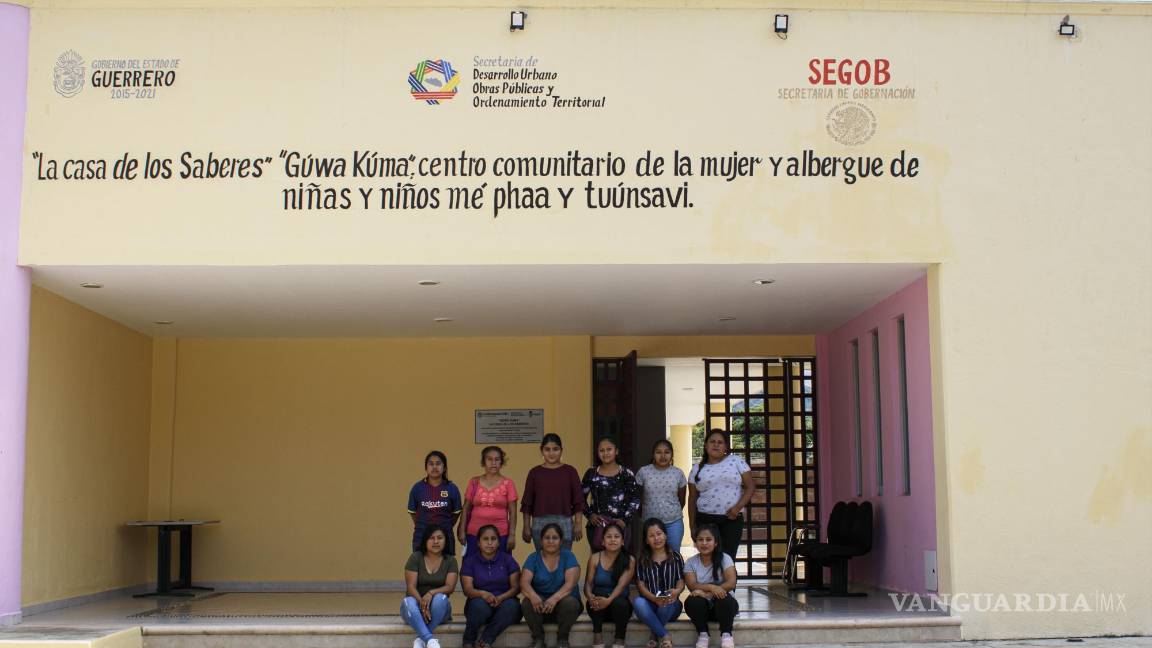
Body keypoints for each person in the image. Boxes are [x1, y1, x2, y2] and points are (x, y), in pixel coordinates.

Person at [687, 429, 754, 561]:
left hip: (731, 519)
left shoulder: (736, 461)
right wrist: (692, 525)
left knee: (727, 560)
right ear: (706, 445)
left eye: (720, 442)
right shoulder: (696, 469)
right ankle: (708, 583)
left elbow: (750, 487)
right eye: (712, 442)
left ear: (725, 447)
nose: (716, 445)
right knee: (707, 559)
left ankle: (727, 582)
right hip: (705, 520)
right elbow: (692, 499)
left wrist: (737, 508)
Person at [520, 523, 582, 648]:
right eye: (547, 538)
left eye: (555, 538)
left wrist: (554, 598)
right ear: (541, 540)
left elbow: (571, 584)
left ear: (561, 541)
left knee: (570, 602)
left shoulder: (568, 556)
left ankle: (563, 639)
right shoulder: (533, 558)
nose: (551, 541)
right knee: (527, 602)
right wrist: (532, 596)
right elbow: (524, 582)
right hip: (541, 607)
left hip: (564, 607)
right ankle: (538, 639)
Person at [460, 525, 522, 648]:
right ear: (478, 543)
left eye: (493, 539)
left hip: (504, 604)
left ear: (499, 542)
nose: (489, 543)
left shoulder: (508, 560)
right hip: (480, 604)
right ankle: (468, 641)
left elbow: (516, 587)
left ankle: (486, 640)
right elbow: (467, 589)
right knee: (477, 605)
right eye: (485, 539)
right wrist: (483, 594)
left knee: (512, 607)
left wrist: (502, 598)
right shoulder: (470, 562)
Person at [521, 433, 585, 551]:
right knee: (542, 560)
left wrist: (578, 523)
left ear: (561, 450)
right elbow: (527, 502)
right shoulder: (534, 473)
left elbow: (578, 500)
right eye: (547, 449)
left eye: (555, 449)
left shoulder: (570, 471)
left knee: (564, 560)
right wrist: (526, 526)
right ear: (541, 451)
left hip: (564, 521)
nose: (551, 453)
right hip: (539, 522)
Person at [401, 524, 459, 648]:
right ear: (425, 540)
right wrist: (422, 602)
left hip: (439, 608)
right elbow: (411, 587)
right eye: (431, 538)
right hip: (415, 608)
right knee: (409, 601)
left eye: (440, 538)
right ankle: (429, 640)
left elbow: (450, 587)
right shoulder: (416, 557)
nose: (436, 541)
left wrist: (431, 593)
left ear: (445, 540)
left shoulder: (450, 560)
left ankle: (421, 639)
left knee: (439, 598)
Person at [581, 436, 641, 552]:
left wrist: (625, 519)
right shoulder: (591, 473)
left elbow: (635, 499)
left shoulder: (626, 474)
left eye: (609, 449)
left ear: (616, 451)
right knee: (598, 562)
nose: (605, 453)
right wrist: (590, 515)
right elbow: (580, 498)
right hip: (597, 527)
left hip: (621, 526)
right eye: (601, 450)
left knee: (621, 564)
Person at [683, 525, 739, 648]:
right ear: (695, 542)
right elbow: (692, 585)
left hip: (725, 609)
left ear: (715, 543)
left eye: (708, 539)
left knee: (724, 598)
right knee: (693, 601)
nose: (704, 543)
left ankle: (726, 634)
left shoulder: (725, 558)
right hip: (703, 610)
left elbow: (731, 583)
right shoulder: (691, 562)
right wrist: (712, 587)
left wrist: (708, 593)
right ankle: (703, 634)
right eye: (700, 539)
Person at [632, 518, 685, 648]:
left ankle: (654, 635)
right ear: (646, 540)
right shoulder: (642, 559)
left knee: (667, 603)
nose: (656, 538)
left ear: (665, 535)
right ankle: (665, 635)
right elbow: (641, 585)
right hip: (650, 603)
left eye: (659, 533)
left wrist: (677, 591)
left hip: (671, 604)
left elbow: (680, 581)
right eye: (651, 535)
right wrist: (654, 599)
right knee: (638, 602)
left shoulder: (676, 556)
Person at [583, 522, 635, 648]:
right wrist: (590, 596)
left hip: (620, 608)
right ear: (602, 541)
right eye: (609, 536)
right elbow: (588, 584)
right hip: (598, 607)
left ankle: (619, 639)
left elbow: (621, 586)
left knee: (619, 602)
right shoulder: (595, 558)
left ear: (622, 541)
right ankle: (597, 635)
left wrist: (609, 600)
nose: (613, 540)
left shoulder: (630, 560)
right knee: (596, 596)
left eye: (616, 537)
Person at [458, 445, 518, 556]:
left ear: (501, 462)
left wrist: (512, 535)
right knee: (472, 567)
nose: (493, 463)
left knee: (501, 569)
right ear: (483, 462)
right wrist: (462, 530)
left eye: (497, 459)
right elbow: (466, 508)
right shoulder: (474, 482)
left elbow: (513, 512)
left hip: (501, 535)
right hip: (474, 534)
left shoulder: (508, 483)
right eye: (489, 459)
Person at [635, 439, 689, 552]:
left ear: (672, 454)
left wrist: (670, 511)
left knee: (673, 555)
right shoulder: (643, 472)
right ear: (653, 454)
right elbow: (637, 498)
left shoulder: (678, 473)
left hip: (673, 522)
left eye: (667, 452)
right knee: (650, 556)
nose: (663, 456)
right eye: (658, 452)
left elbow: (681, 501)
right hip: (650, 523)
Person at [408, 450, 462, 556]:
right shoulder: (417, 488)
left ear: (444, 467)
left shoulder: (452, 488)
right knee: (421, 570)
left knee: (446, 570)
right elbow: (413, 512)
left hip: (445, 536)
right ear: (426, 468)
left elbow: (456, 513)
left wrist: (445, 526)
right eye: (431, 464)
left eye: (438, 463)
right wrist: (424, 525)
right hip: (421, 536)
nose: (434, 467)